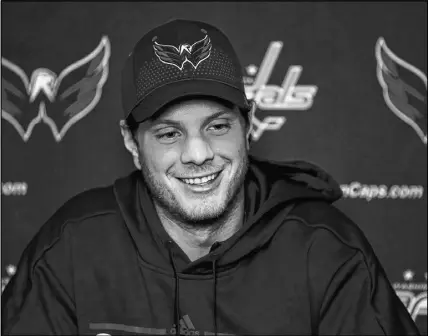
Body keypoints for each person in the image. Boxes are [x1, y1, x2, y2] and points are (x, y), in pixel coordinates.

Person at [1, 19, 420, 336]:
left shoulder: (325, 249)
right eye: (169, 133)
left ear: (248, 125)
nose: (198, 154)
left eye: (217, 126)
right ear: (131, 141)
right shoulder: (72, 245)